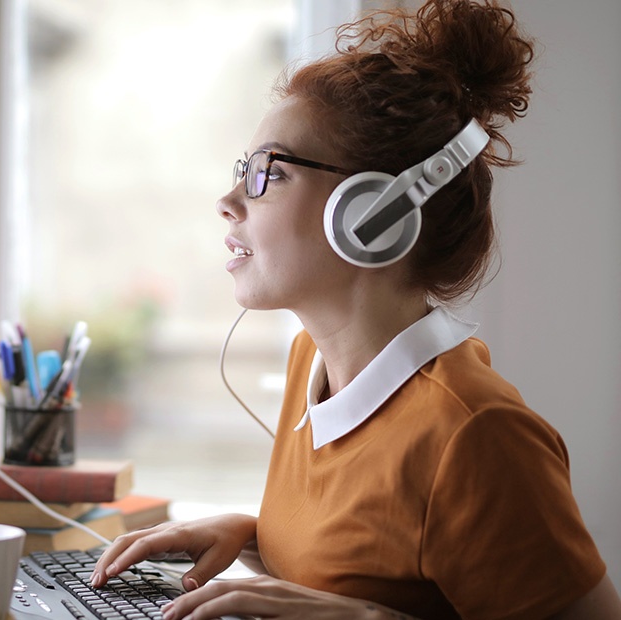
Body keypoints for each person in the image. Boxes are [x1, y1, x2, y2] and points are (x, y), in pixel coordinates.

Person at [90, 1, 621, 618]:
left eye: (268, 173)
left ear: (371, 217)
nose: (229, 200)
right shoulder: (311, 361)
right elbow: (382, 557)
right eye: (242, 170)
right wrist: (254, 539)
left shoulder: (477, 434)